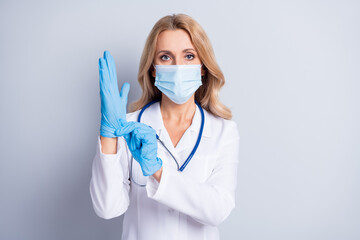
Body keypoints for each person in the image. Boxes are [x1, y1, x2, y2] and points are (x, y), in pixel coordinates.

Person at [90, 13, 240, 240]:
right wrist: (109, 136)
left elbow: (218, 210)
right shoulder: (129, 127)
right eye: (166, 57)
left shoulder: (223, 132)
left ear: (202, 67)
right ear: (153, 68)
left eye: (189, 56)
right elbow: (107, 208)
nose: (178, 67)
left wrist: (158, 172)